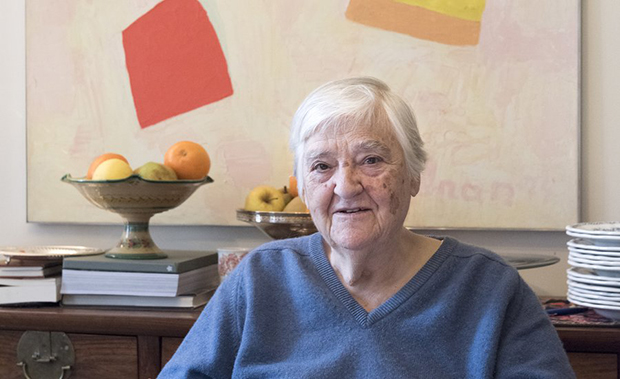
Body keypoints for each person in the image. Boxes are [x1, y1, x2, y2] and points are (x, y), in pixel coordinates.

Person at [158, 77, 575, 378]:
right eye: (322, 166)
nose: (345, 185)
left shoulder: (490, 289)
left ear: (413, 175)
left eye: (371, 160)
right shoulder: (259, 278)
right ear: (302, 186)